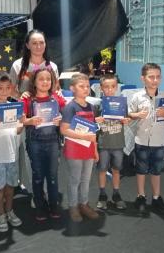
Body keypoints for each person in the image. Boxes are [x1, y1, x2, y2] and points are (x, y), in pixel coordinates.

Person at [9, 29, 60, 199]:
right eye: (34, 43)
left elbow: (56, 89)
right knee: (28, 154)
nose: (38, 46)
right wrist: (20, 96)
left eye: (42, 42)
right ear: (27, 45)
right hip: (27, 118)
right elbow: (10, 89)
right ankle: (35, 193)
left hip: (47, 119)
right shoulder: (18, 65)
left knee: (48, 158)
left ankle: (45, 191)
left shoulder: (52, 66)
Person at [128, 63, 164, 214]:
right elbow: (128, 114)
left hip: (159, 140)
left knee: (156, 170)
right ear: (143, 78)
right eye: (151, 77)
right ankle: (141, 195)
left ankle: (156, 197)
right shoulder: (136, 96)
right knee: (141, 170)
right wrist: (137, 115)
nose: (155, 80)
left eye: (158, 77)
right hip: (141, 139)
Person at [21, 68, 66, 220]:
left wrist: (61, 118)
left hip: (53, 142)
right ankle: (40, 206)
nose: (45, 82)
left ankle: (54, 205)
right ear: (34, 81)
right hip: (35, 143)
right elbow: (19, 120)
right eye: (41, 79)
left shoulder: (57, 98)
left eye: (48, 79)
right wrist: (29, 121)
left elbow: (67, 114)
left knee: (53, 176)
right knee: (38, 176)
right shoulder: (27, 99)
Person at [0, 71, 23, 233]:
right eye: (0, 88)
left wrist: (22, 124)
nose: (4, 91)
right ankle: (0, 214)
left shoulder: (14, 106)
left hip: (12, 154)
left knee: (10, 186)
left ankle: (9, 211)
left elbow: (18, 130)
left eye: (7, 87)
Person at [60, 73, 99, 222]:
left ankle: (84, 204)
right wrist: (84, 137)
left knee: (86, 179)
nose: (85, 89)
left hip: (88, 149)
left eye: (87, 86)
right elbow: (64, 130)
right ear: (72, 88)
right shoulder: (70, 107)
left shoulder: (91, 106)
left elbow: (93, 130)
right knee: (74, 179)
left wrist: (95, 149)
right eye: (81, 86)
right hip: (74, 150)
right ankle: (73, 207)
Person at [95, 74, 131, 210]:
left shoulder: (122, 103)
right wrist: (96, 121)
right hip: (103, 144)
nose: (110, 89)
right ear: (101, 88)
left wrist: (126, 121)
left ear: (117, 87)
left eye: (113, 87)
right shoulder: (98, 105)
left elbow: (126, 119)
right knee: (102, 170)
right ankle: (102, 195)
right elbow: (93, 126)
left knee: (116, 171)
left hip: (118, 143)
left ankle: (116, 194)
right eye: (106, 87)